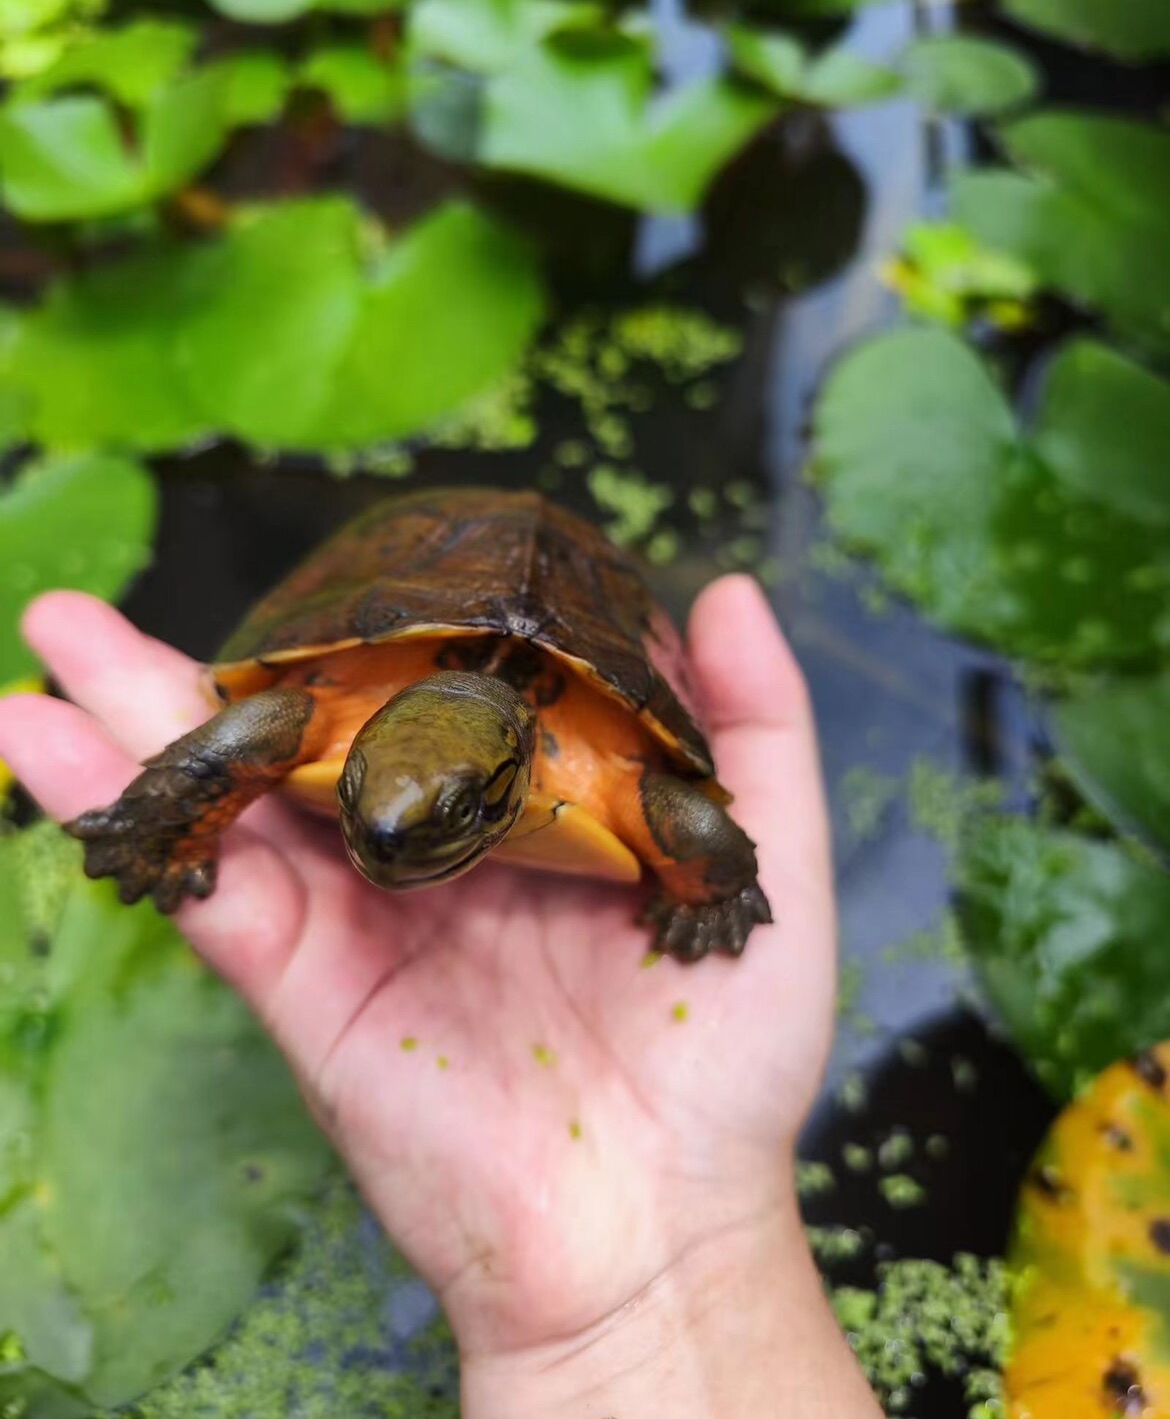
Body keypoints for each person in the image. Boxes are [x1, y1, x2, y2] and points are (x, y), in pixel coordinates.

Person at [0, 574, 881, 1418]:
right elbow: (246, 730)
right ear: (362, 747)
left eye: (450, 817)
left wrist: (714, 891)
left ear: (504, 786)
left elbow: (706, 836)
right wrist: (167, 823)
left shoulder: (612, 766)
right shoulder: (330, 708)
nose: (380, 842)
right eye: (357, 788)